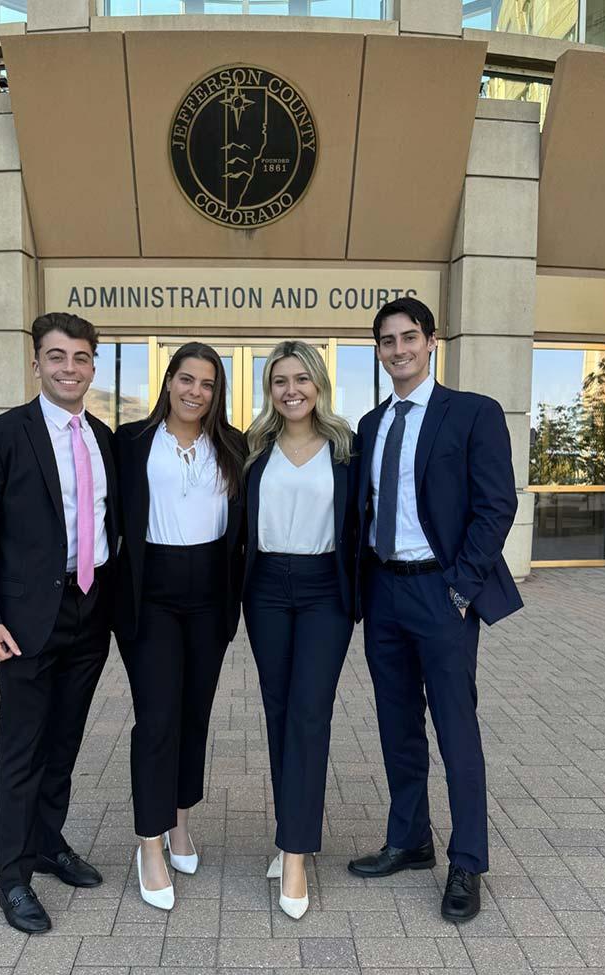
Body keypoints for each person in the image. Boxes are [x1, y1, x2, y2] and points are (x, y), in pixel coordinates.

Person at [348, 297, 522, 923]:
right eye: (388, 341)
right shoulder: (369, 426)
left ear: (431, 341)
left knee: (455, 728)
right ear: (379, 350)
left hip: (440, 592)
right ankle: (410, 840)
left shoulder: (472, 414)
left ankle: (468, 861)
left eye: (409, 338)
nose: (399, 350)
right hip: (385, 592)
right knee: (397, 725)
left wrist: (460, 589)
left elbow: (496, 504)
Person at [0, 312, 118, 934]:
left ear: (91, 365)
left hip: (89, 611)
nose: (68, 368)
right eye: (56, 357)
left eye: (79, 357)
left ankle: (49, 843)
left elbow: (109, 527)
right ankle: (14, 874)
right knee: (22, 749)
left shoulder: (103, 438)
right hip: (23, 622)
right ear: (36, 363)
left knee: (65, 742)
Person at [114, 342, 246, 911]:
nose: (196, 392)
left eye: (208, 384)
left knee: (195, 714)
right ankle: (148, 842)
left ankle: (180, 823)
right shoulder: (131, 442)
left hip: (211, 594)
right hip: (153, 596)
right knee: (158, 718)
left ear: (217, 393)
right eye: (186, 379)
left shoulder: (235, 445)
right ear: (167, 382)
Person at [242, 340, 358, 920]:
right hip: (265, 588)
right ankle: (291, 830)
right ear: (270, 390)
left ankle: (294, 853)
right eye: (280, 380)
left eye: (302, 379)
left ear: (318, 386)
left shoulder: (345, 449)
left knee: (311, 713)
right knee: (280, 711)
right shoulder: (252, 449)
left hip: (323, 592)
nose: (291, 390)